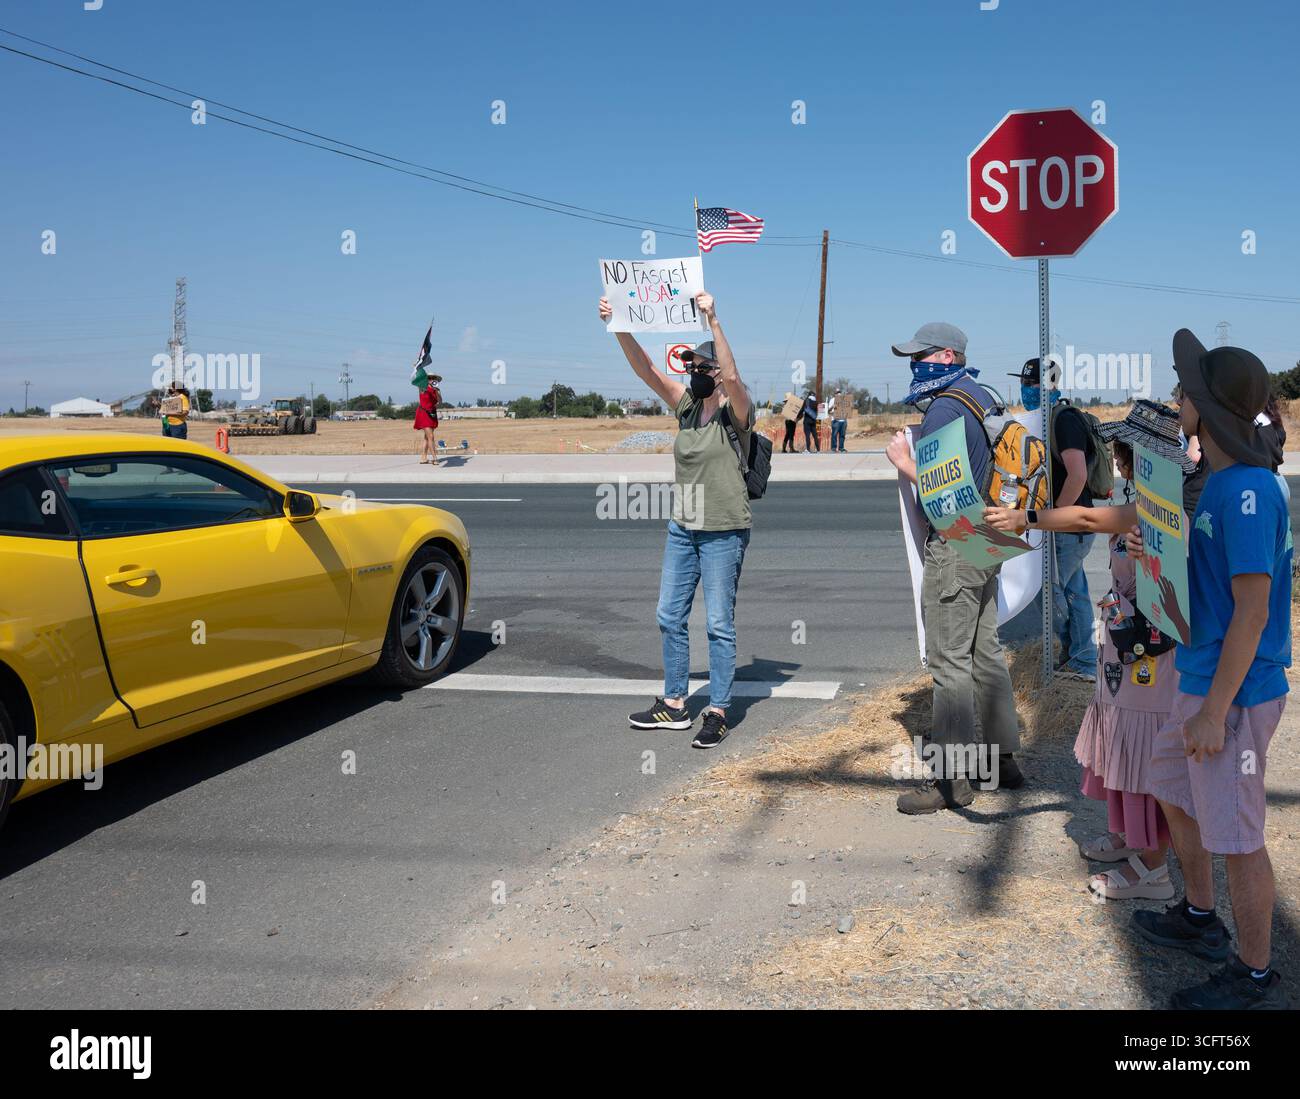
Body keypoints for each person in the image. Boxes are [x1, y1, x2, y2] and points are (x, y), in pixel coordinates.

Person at [1132, 330, 1291, 1010]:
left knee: (1239, 835)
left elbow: (1252, 614)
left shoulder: (1249, 490)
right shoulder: (1222, 482)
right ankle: (1200, 913)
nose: (1177, 400)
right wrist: (1153, 553)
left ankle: (1254, 972)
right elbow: (1212, 590)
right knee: (1171, 783)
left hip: (1232, 694)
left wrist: (1214, 711)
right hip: (1198, 680)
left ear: (1208, 406)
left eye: (1186, 392)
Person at [985, 400, 1196, 901]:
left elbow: (1087, 520)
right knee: (1123, 742)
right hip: (1125, 657)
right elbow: (1087, 518)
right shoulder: (1145, 508)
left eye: (1125, 454)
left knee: (1145, 756)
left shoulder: (1171, 516)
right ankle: (1130, 839)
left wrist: (1026, 517)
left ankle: (1153, 868)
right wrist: (1029, 518)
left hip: (1153, 661)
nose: (1119, 463)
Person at [598, 291, 754, 750]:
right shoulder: (687, 408)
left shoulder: (736, 412)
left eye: (701, 368)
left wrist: (714, 320)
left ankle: (719, 710)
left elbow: (734, 374)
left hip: (724, 530)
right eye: (691, 368)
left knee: (719, 623)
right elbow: (645, 369)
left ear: (717, 377)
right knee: (669, 614)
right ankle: (674, 703)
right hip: (683, 528)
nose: (693, 374)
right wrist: (618, 324)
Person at [885, 322, 1023, 814]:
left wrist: (904, 461)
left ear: (947, 355)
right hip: (987, 537)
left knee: (949, 664)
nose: (913, 364)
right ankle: (1004, 760)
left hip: (958, 540)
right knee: (985, 652)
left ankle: (953, 781)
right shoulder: (980, 395)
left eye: (920, 355)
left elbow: (941, 488)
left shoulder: (945, 406)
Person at [1011, 358, 1099, 681]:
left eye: (1034, 386)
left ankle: (1082, 656)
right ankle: (1082, 656)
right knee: (1073, 588)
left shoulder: (1063, 421)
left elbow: (1077, 474)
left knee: (1048, 591)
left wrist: (1051, 518)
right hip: (1066, 525)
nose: (1028, 391)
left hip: (1069, 526)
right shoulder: (1042, 420)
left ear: (1050, 387)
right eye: (1025, 385)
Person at [414, 374, 441, 465]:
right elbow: (416, 381)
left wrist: (437, 392)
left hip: (432, 414)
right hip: (424, 413)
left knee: (427, 437)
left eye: (433, 378)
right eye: (429, 378)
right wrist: (417, 369)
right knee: (431, 437)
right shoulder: (422, 387)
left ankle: (423, 458)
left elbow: (440, 402)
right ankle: (435, 458)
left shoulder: (436, 390)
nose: (431, 380)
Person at [829, 388, 849, 452]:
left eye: (839, 392)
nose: (838, 394)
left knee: (842, 435)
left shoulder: (844, 400)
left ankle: (841, 448)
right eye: (837, 393)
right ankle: (833, 448)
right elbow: (829, 411)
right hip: (836, 420)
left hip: (843, 420)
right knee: (834, 435)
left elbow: (848, 410)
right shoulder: (832, 400)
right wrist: (833, 408)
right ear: (835, 394)